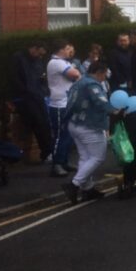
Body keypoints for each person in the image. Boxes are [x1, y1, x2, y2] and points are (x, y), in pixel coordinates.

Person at [61, 62, 122, 204]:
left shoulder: (79, 81)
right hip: (90, 125)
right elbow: (100, 102)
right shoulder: (92, 85)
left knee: (85, 157)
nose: (104, 79)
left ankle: (88, 189)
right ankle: (74, 185)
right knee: (97, 157)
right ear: (99, 72)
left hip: (75, 124)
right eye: (104, 75)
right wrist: (115, 111)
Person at [10, 40, 52, 164]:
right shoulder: (18, 58)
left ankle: (48, 152)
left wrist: (43, 82)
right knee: (38, 123)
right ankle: (46, 153)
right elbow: (15, 78)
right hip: (26, 97)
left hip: (38, 95)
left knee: (44, 123)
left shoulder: (37, 60)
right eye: (39, 53)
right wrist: (25, 91)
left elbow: (39, 76)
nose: (40, 57)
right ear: (33, 48)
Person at [47, 39, 80, 178]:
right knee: (61, 135)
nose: (69, 51)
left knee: (68, 134)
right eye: (67, 49)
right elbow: (76, 75)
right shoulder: (56, 63)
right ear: (60, 50)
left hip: (67, 102)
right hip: (59, 104)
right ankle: (57, 164)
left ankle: (64, 161)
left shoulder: (64, 62)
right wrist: (76, 73)